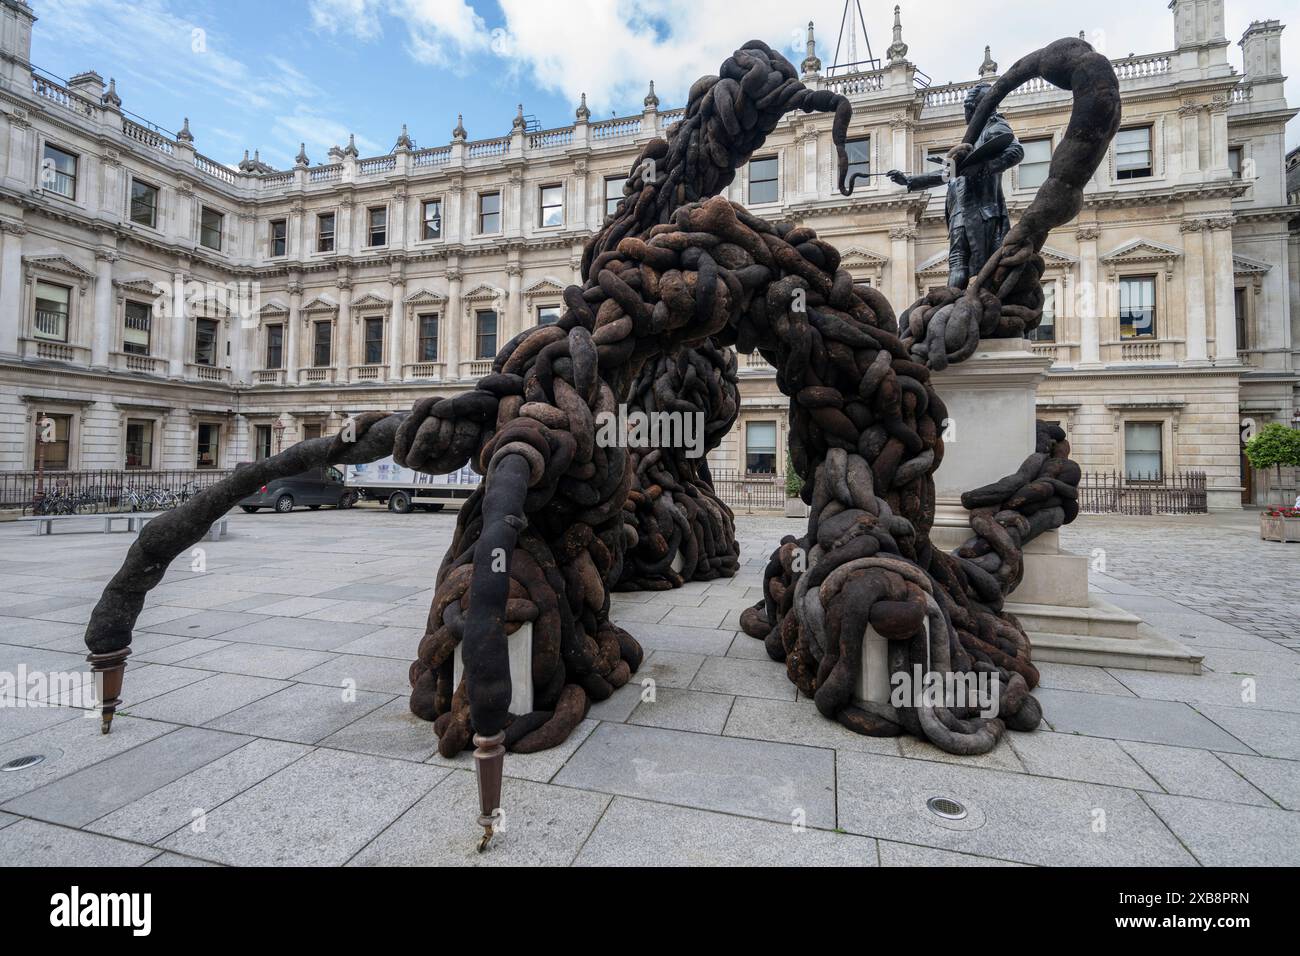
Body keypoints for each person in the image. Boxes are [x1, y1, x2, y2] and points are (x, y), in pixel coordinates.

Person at [888, 83, 1023, 289]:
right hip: (960, 210)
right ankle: (953, 307)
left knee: (983, 266)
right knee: (957, 263)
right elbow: (947, 174)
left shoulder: (994, 126)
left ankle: (970, 308)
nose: (967, 113)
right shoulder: (975, 136)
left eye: (970, 107)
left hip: (981, 211)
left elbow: (1015, 151)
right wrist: (909, 181)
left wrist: (983, 167)